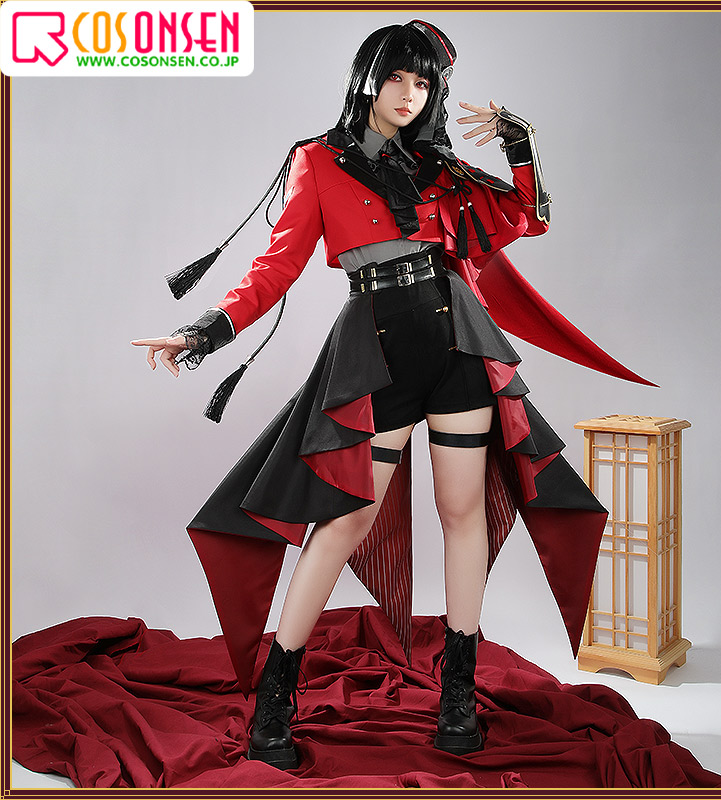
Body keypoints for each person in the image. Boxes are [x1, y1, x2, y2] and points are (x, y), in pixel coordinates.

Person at [133, 20, 648, 771]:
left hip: (460, 346)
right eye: (397, 78)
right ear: (368, 81)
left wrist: (521, 143)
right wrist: (206, 331)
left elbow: (524, 218)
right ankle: (275, 697)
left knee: (462, 512)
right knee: (343, 522)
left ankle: (458, 693)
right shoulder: (318, 160)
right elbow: (276, 266)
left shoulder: (442, 169)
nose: (411, 94)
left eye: (423, 82)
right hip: (378, 354)